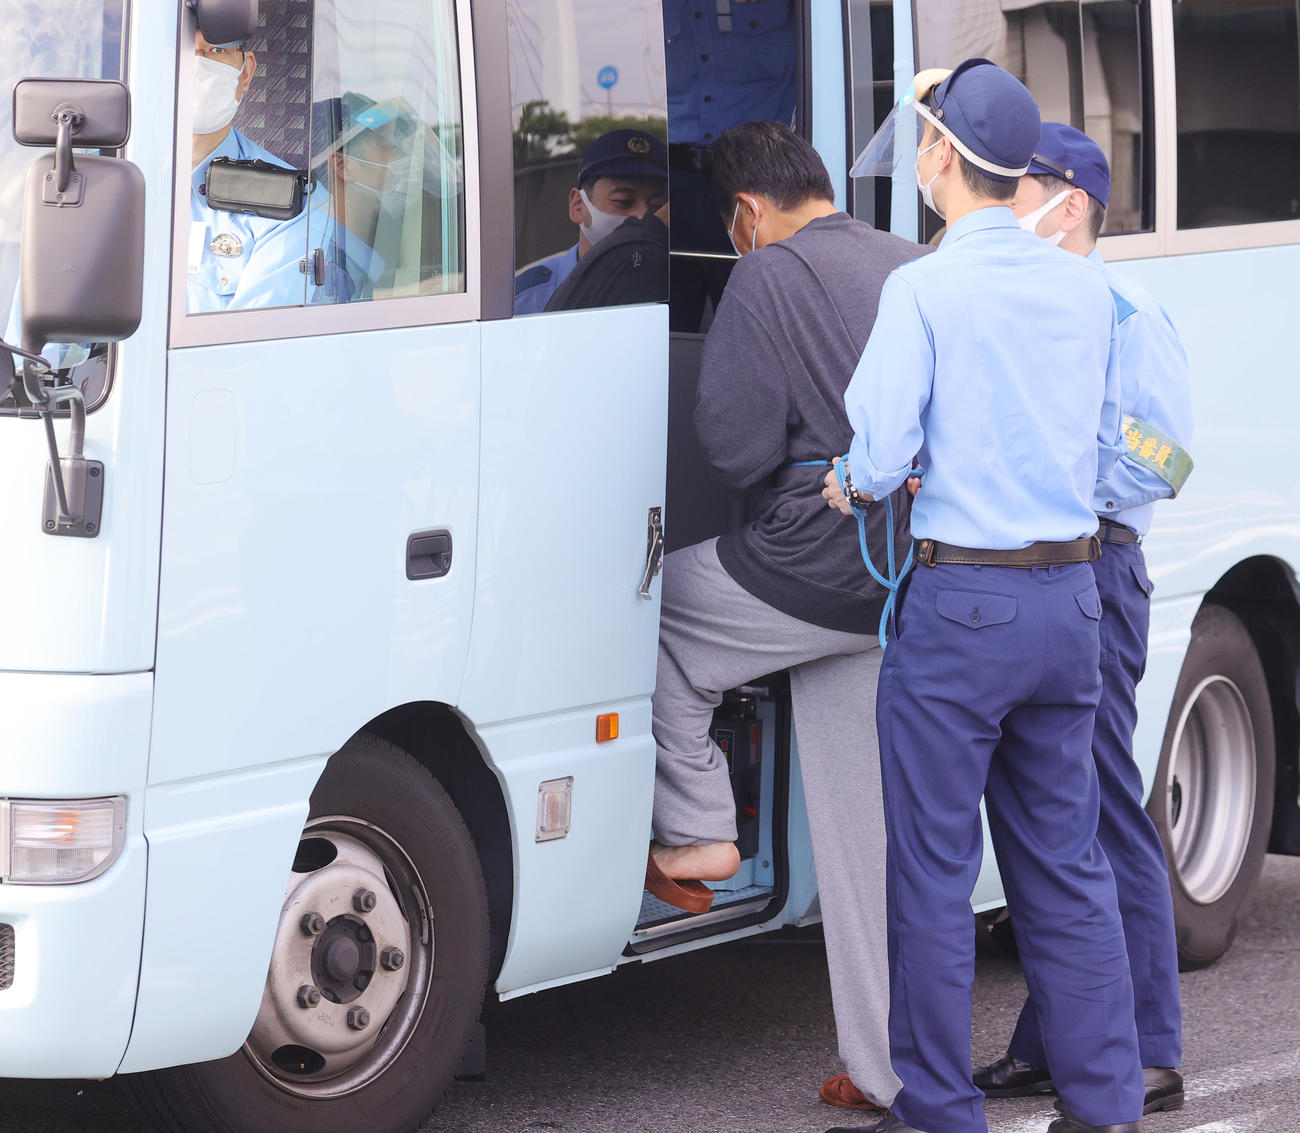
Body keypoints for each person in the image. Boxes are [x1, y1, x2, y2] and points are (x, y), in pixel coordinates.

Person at [823, 60, 1144, 1133]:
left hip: (963, 613)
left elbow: (876, 453)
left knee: (932, 870)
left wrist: (852, 479)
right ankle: (1104, 1105)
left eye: (921, 140)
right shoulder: (1083, 285)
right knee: (1065, 863)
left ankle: (943, 1111)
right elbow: (1108, 449)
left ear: (942, 157)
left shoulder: (921, 285)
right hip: (1071, 600)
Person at [646, 120, 926, 1118]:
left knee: (654, 612)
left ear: (748, 213)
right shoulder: (906, 261)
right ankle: (886, 1065)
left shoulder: (768, 277)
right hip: (896, 580)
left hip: (810, 562)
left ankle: (697, 832)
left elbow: (730, 445)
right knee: (861, 834)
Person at [973, 122, 1193, 1118]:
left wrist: (1058, 490)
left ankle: (1145, 1045)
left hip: (1095, 560)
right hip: (1043, 566)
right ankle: (1060, 1033)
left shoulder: (1123, 306)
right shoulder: (1031, 299)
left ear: (1064, 201)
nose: (999, 202)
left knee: (1101, 807)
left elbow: (1164, 458)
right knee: (1045, 816)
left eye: (1015, 187)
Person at [189, 30, 326, 312]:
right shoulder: (95, 174)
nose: (196, 65)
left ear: (246, 72)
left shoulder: (296, 205)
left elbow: (242, 349)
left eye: (216, 51)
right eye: (180, 51)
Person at [514, 129, 668, 314]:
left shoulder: (670, 286)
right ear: (577, 205)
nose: (643, 216)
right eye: (623, 202)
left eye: (656, 206)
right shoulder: (523, 300)